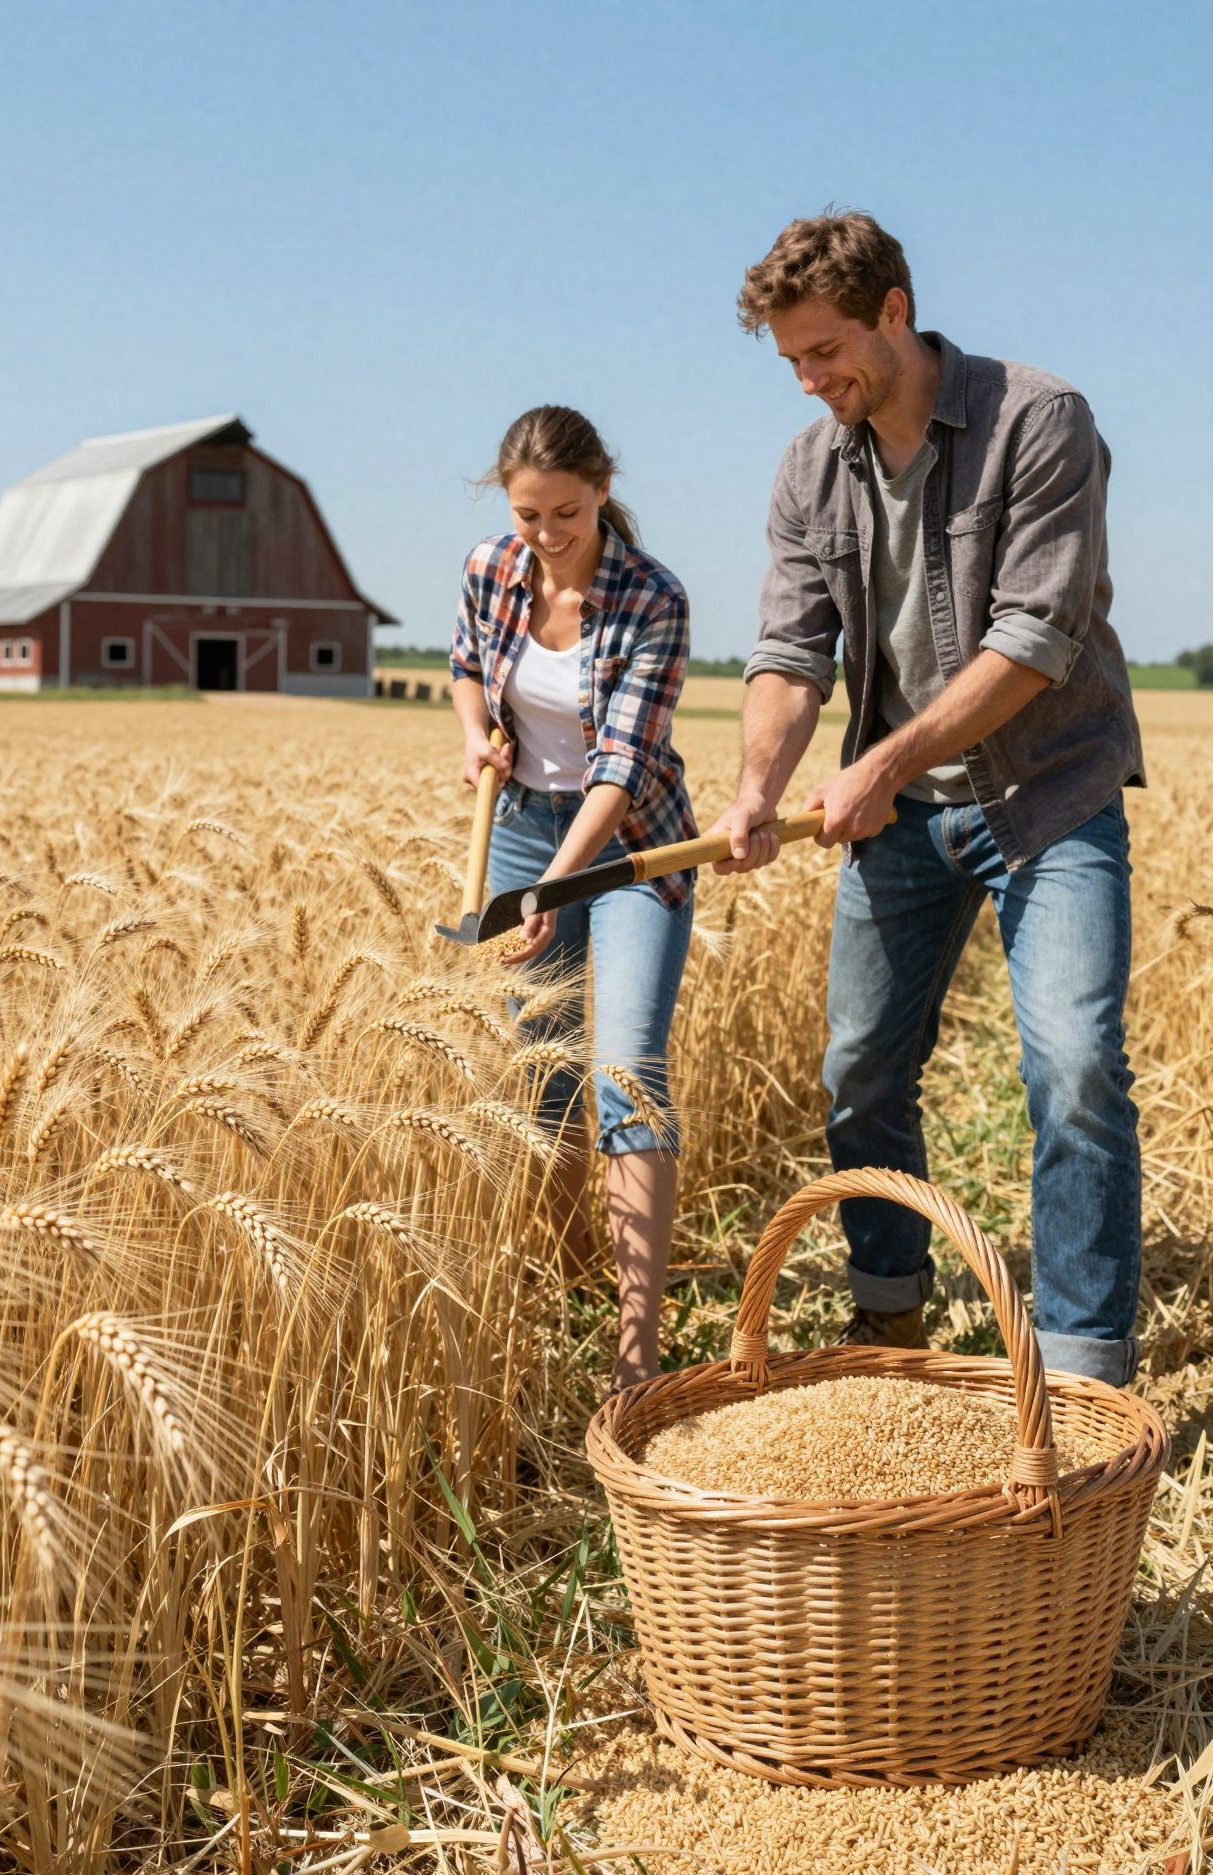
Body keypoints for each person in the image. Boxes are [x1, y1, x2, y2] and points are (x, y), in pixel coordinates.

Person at [711, 211, 1146, 1387]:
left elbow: (1036, 638)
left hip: (1048, 793)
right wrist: (759, 786)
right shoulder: (811, 466)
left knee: (1075, 1069)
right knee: (859, 1074)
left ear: (895, 310)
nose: (810, 381)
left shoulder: (1038, 419)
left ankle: (1083, 1378)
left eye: (826, 351)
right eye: (792, 360)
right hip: (901, 819)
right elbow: (789, 651)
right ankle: (889, 1323)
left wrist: (884, 765)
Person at [449, 406, 696, 1393]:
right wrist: (476, 736)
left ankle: (637, 1351)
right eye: (528, 515)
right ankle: (571, 1272)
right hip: (521, 827)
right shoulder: (489, 568)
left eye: (567, 513)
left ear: (602, 489)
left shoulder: (653, 597)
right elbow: (468, 669)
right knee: (541, 1076)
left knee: (626, 1072)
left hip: (631, 844)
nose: (547, 535)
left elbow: (622, 768)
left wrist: (559, 883)